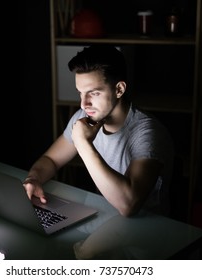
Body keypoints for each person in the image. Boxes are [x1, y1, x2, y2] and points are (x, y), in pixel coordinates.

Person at [23, 45, 174, 217]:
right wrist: (33, 179)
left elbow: (129, 205)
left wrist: (82, 143)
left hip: (150, 233)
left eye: (93, 93)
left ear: (119, 89)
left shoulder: (147, 133)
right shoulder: (85, 116)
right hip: (106, 221)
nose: (83, 104)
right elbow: (50, 159)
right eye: (80, 93)